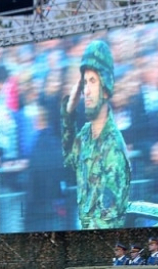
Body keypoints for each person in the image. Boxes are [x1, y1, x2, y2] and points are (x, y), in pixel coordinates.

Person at [61, 39, 130, 230]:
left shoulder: (114, 147)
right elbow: (68, 158)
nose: (87, 91)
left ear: (106, 89)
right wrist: (69, 112)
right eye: (84, 83)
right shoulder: (85, 135)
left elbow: (108, 220)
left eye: (93, 81)